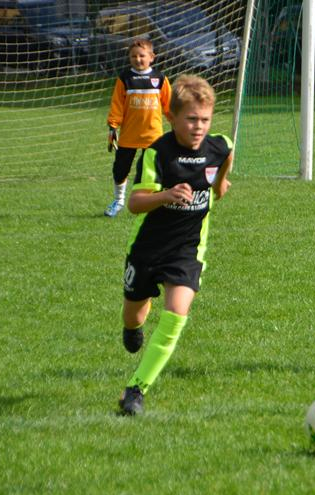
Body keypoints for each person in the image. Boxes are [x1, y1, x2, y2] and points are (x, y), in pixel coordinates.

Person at [117, 75, 233, 415]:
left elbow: (227, 156)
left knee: (176, 315)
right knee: (134, 314)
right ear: (172, 118)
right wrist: (166, 195)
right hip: (148, 248)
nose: (199, 127)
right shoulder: (158, 153)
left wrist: (221, 183)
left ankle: (136, 389)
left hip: (188, 250)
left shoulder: (218, 146)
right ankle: (132, 328)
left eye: (205, 120)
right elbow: (135, 203)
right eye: (191, 119)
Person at [104, 39, 172, 217]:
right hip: (129, 136)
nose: (138, 59)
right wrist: (113, 126)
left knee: (152, 171)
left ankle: (153, 203)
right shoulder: (125, 78)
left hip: (153, 136)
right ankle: (118, 201)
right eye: (133, 56)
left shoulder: (160, 79)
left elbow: (169, 106)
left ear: (152, 57)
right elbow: (117, 104)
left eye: (142, 55)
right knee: (120, 170)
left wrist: (177, 124)